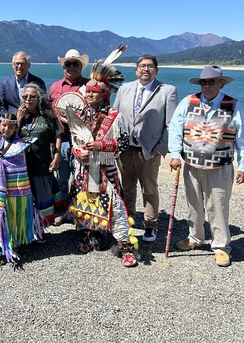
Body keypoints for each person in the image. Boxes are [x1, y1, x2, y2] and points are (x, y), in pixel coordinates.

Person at [168, 65, 244, 267]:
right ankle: (195, 238)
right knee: (194, 204)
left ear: (221, 83)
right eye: (204, 82)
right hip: (191, 164)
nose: (207, 86)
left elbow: (243, 138)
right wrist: (174, 154)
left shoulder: (232, 105)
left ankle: (221, 247)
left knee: (218, 206)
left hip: (220, 166)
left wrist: (243, 165)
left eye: (212, 82)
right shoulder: (188, 102)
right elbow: (175, 128)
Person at [66, 55, 139, 267]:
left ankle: (125, 247)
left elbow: (123, 144)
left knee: (115, 207)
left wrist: (102, 147)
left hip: (106, 169)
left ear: (103, 93)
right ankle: (91, 237)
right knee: (85, 204)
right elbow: (74, 142)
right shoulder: (79, 114)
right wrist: (79, 153)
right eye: (87, 91)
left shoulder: (114, 116)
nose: (89, 94)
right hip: (84, 169)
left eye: (93, 92)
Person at [113, 54, 178, 243]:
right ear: (136, 70)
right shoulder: (124, 89)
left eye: (150, 66)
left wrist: (161, 149)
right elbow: (115, 117)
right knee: (127, 188)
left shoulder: (167, 91)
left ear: (156, 70)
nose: (146, 69)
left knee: (149, 189)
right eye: (142, 66)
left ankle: (150, 224)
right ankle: (129, 219)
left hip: (149, 150)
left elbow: (170, 124)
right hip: (125, 149)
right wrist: (115, 146)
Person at [0, 113, 45, 264]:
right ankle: (0, 238)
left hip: (16, 185)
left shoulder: (20, 144)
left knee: (14, 211)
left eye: (11, 126)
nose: (7, 129)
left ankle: (14, 239)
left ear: (16, 127)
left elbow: (20, 164)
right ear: (0, 125)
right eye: (4, 125)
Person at [49, 49, 89, 225]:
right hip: (62, 140)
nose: (71, 67)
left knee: (82, 178)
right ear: (63, 67)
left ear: (81, 66)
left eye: (75, 63)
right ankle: (62, 210)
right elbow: (50, 115)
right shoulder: (55, 87)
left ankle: (80, 212)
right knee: (62, 177)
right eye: (68, 64)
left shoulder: (90, 85)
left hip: (83, 141)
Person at [17, 82, 62, 225]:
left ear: (39, 99)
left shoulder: (48, 116)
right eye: (25, 97)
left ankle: (41, 228)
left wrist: (56, 157)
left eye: (32, 97)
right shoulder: (17, 116)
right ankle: (27, 230)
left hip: (42, 164)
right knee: (25, 200)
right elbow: (8, 136)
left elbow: (58, 136)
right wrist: (18, 118)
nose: (28, 100)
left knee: (43, 198)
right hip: (21, 167)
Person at [0, 51, 46, 115]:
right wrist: (10, 119)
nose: (19, 66)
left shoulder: (38, 82)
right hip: (11, 121)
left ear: (29, 65)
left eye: (22, 64)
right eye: (17, 64)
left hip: (33, 121)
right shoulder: (5, 83)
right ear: (12, 65)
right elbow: (0, 106)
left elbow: (43, 104)